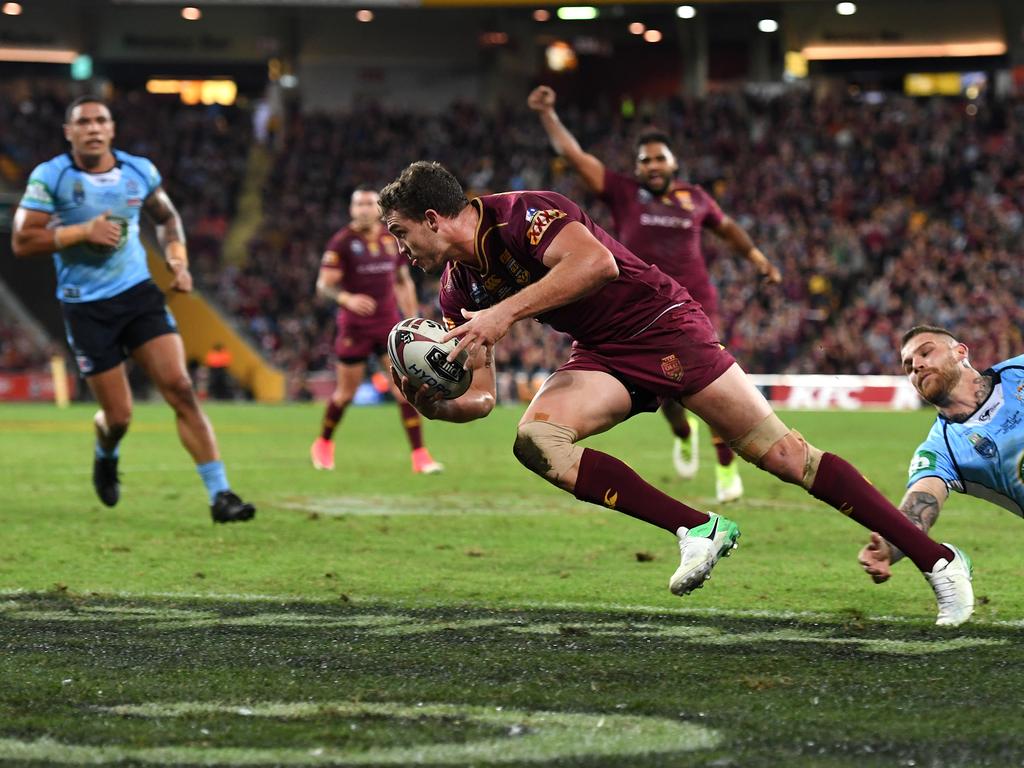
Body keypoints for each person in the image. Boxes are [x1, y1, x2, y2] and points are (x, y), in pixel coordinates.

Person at [380, 161, 973, 626]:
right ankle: (699, 530)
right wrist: (436, 406)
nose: (401, 250)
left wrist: (503, 315)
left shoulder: (525, 214)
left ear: (434, 218)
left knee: (787, 458)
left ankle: (936, 559)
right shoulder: (459, 291)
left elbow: (596, 267)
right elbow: (480, 396)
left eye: (402, 234)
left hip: (662, 323)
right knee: (535, 438)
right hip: (602, 352)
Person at [528, 85, 781, 504]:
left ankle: (725, 467)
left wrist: (758, 259)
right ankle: (683, 432)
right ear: (638, 168)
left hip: (694, 306)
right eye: (645, 160)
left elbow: (727, 228)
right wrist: (548, 115)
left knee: (710, 382)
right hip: (637, 310)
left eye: (659, 158)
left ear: (674, 162)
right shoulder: (623, 192)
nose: (652, 165)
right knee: (667, 393)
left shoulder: (694, 198)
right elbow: (576, 157)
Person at [11, 95, 255, 524]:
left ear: (112, 129)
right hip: (85, 307)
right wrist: (81, 231)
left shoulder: (138, 170)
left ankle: (221, 496)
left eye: (100, 120)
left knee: (179, 387)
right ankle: (106, 450)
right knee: (120, 416)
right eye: (82, 121)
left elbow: (166, 218)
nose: (92, 127)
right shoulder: (50, 177)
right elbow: (22, 241)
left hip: (138, 295)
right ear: (69, 132)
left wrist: (178, 261)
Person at [858, 325, 1016, 610]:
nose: (916, 365)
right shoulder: (941, 449)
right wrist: (890, 545)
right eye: (908, 366)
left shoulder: (1018, 372)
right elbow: (918, 507)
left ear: (960, 352)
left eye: (926, 352)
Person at [310, 186, 443, 475]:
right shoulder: (341, 242)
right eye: (358, 204)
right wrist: (347, 299)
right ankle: (323, 444)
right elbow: (323, 285)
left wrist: (413, 318)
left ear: (378, 209)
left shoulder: (390, 239)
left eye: (369, 204)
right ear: (351, 209)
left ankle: (420, 455)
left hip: (388, 325)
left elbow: (402, 280)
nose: (364, 209)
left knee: (403, 391)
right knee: (345, 393)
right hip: (354, 327)